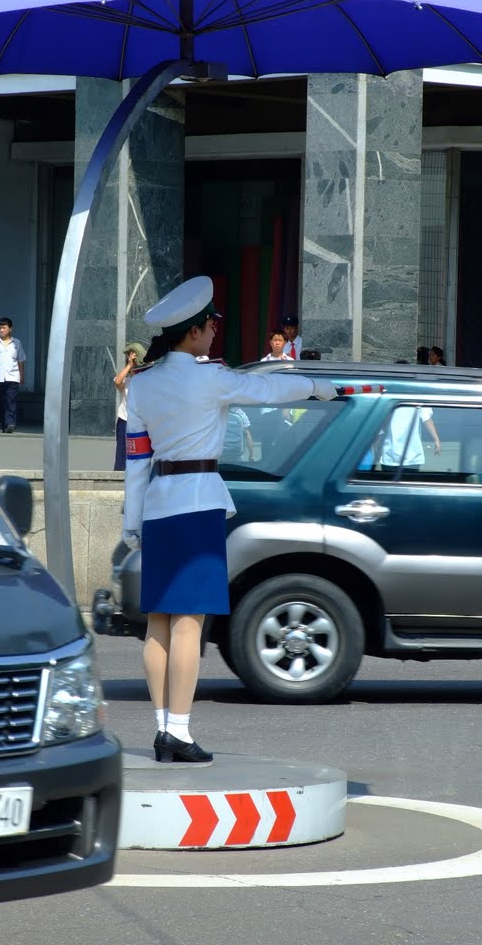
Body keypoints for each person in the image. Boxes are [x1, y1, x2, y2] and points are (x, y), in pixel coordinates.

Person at [123, 275, 337, 763]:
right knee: (188, 623)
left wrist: (130, 525)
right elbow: (266, 389)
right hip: (198, 502)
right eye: (212, 323)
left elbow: (136, 463)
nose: (216, 329)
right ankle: (179, 731)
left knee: (159, 619)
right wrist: (319, 387)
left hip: (157, 504)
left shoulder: (142, 385)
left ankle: (161, 729)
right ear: (194, 331)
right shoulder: (209, 377)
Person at [113, 341, 146, 470]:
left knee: (139, 455)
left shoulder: (145, 381)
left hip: (141, 423)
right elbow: (117, 381)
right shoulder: (127, 381)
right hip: (125, 421)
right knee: (122, 454)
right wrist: (129, 365)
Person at [380, 405, 441, 473]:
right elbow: (426, 418)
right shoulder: (418, 395)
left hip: (390, 455)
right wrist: (436, 439)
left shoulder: (389, 395)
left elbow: (381, 421)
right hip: (411, 456)